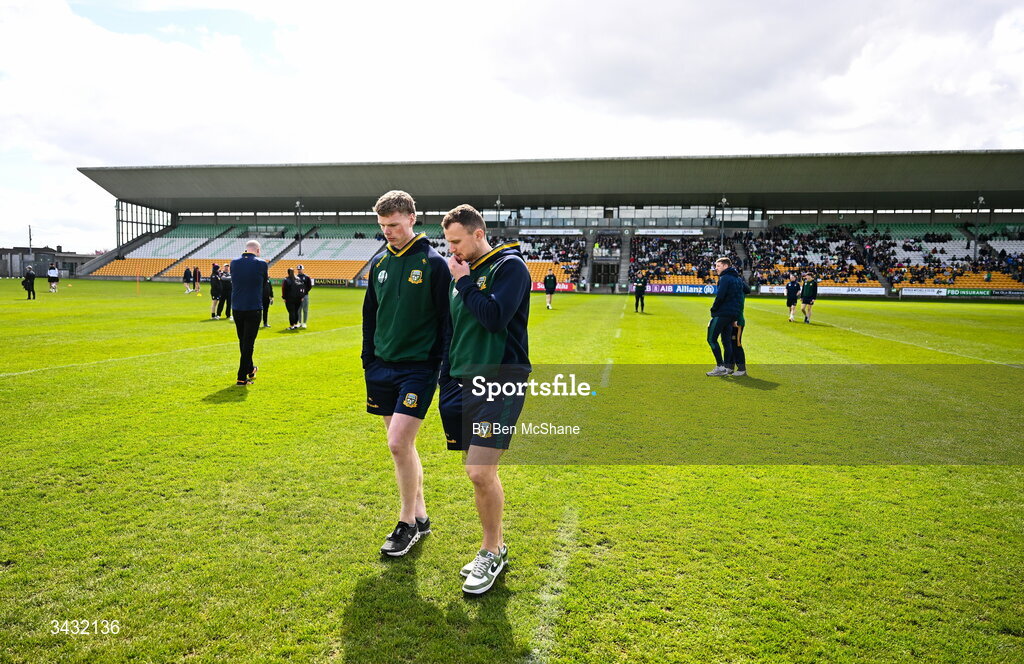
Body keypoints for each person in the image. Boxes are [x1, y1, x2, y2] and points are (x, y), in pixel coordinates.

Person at [437, 204, 531, 595]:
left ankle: (491, 550)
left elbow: (494, 318)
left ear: (478, 234)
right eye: (448, 244)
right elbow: (454, 332)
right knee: (478, 473)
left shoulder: (510, 267)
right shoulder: (464, 273)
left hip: (501, 380)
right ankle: (496, 547)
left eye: (457, 241)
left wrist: (463, 283)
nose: (452, 251)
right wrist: (446, 382)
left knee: (479, 472)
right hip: (463, 382)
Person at [362, 190, 450, 558]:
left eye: (394, 225)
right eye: (383, 226)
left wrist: (444, 369)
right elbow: (370, 315)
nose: (388, 232)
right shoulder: (380, 263)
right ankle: (422, 515)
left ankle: (407, 524)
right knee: (403, 448)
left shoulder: (434, 264)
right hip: (381, 367)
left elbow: (448, 322)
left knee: (398, 442)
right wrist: (368, 359)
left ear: (412, 219)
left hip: (418, 368)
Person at [230, 240, 268, 386]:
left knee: (243, 341)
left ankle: (251, 369)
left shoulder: (234, 263)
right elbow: (264, 284)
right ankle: (241, 377)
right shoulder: (261, 263)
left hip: (237, 307)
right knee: (249, 343)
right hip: (253, 307)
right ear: (257, 250)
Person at [706, 257, 744, 377]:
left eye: (718, 266)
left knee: (711, 339)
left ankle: (720, 366)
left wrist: (714, 310)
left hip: (722, 313)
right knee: (726, 341)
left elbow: (720, 296)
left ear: (725, 266)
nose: (716, 268)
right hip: (732, 315)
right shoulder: (737, 279)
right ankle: (727, 367)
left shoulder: (725, 278)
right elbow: (746, 290)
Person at [730, 275, 753, 376]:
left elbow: (738, 307)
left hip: (737, 322)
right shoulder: (736, 291)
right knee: (730, 344)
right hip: (732, 321)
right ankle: (730, 367)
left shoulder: (739, 293)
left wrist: (734, 319)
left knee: (736, 344)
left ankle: (742, 369)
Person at [297, 264, 314, 329]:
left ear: (302, 269)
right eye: (298, 269)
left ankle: (304, 322)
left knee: (305, 309)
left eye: (300, 269)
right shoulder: (296, 277)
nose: (299, 270)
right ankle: (299, 322)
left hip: (305, 295)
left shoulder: (306, 277)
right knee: (298, 310)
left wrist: (304, 293)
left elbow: (309, 286)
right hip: (298, 296)